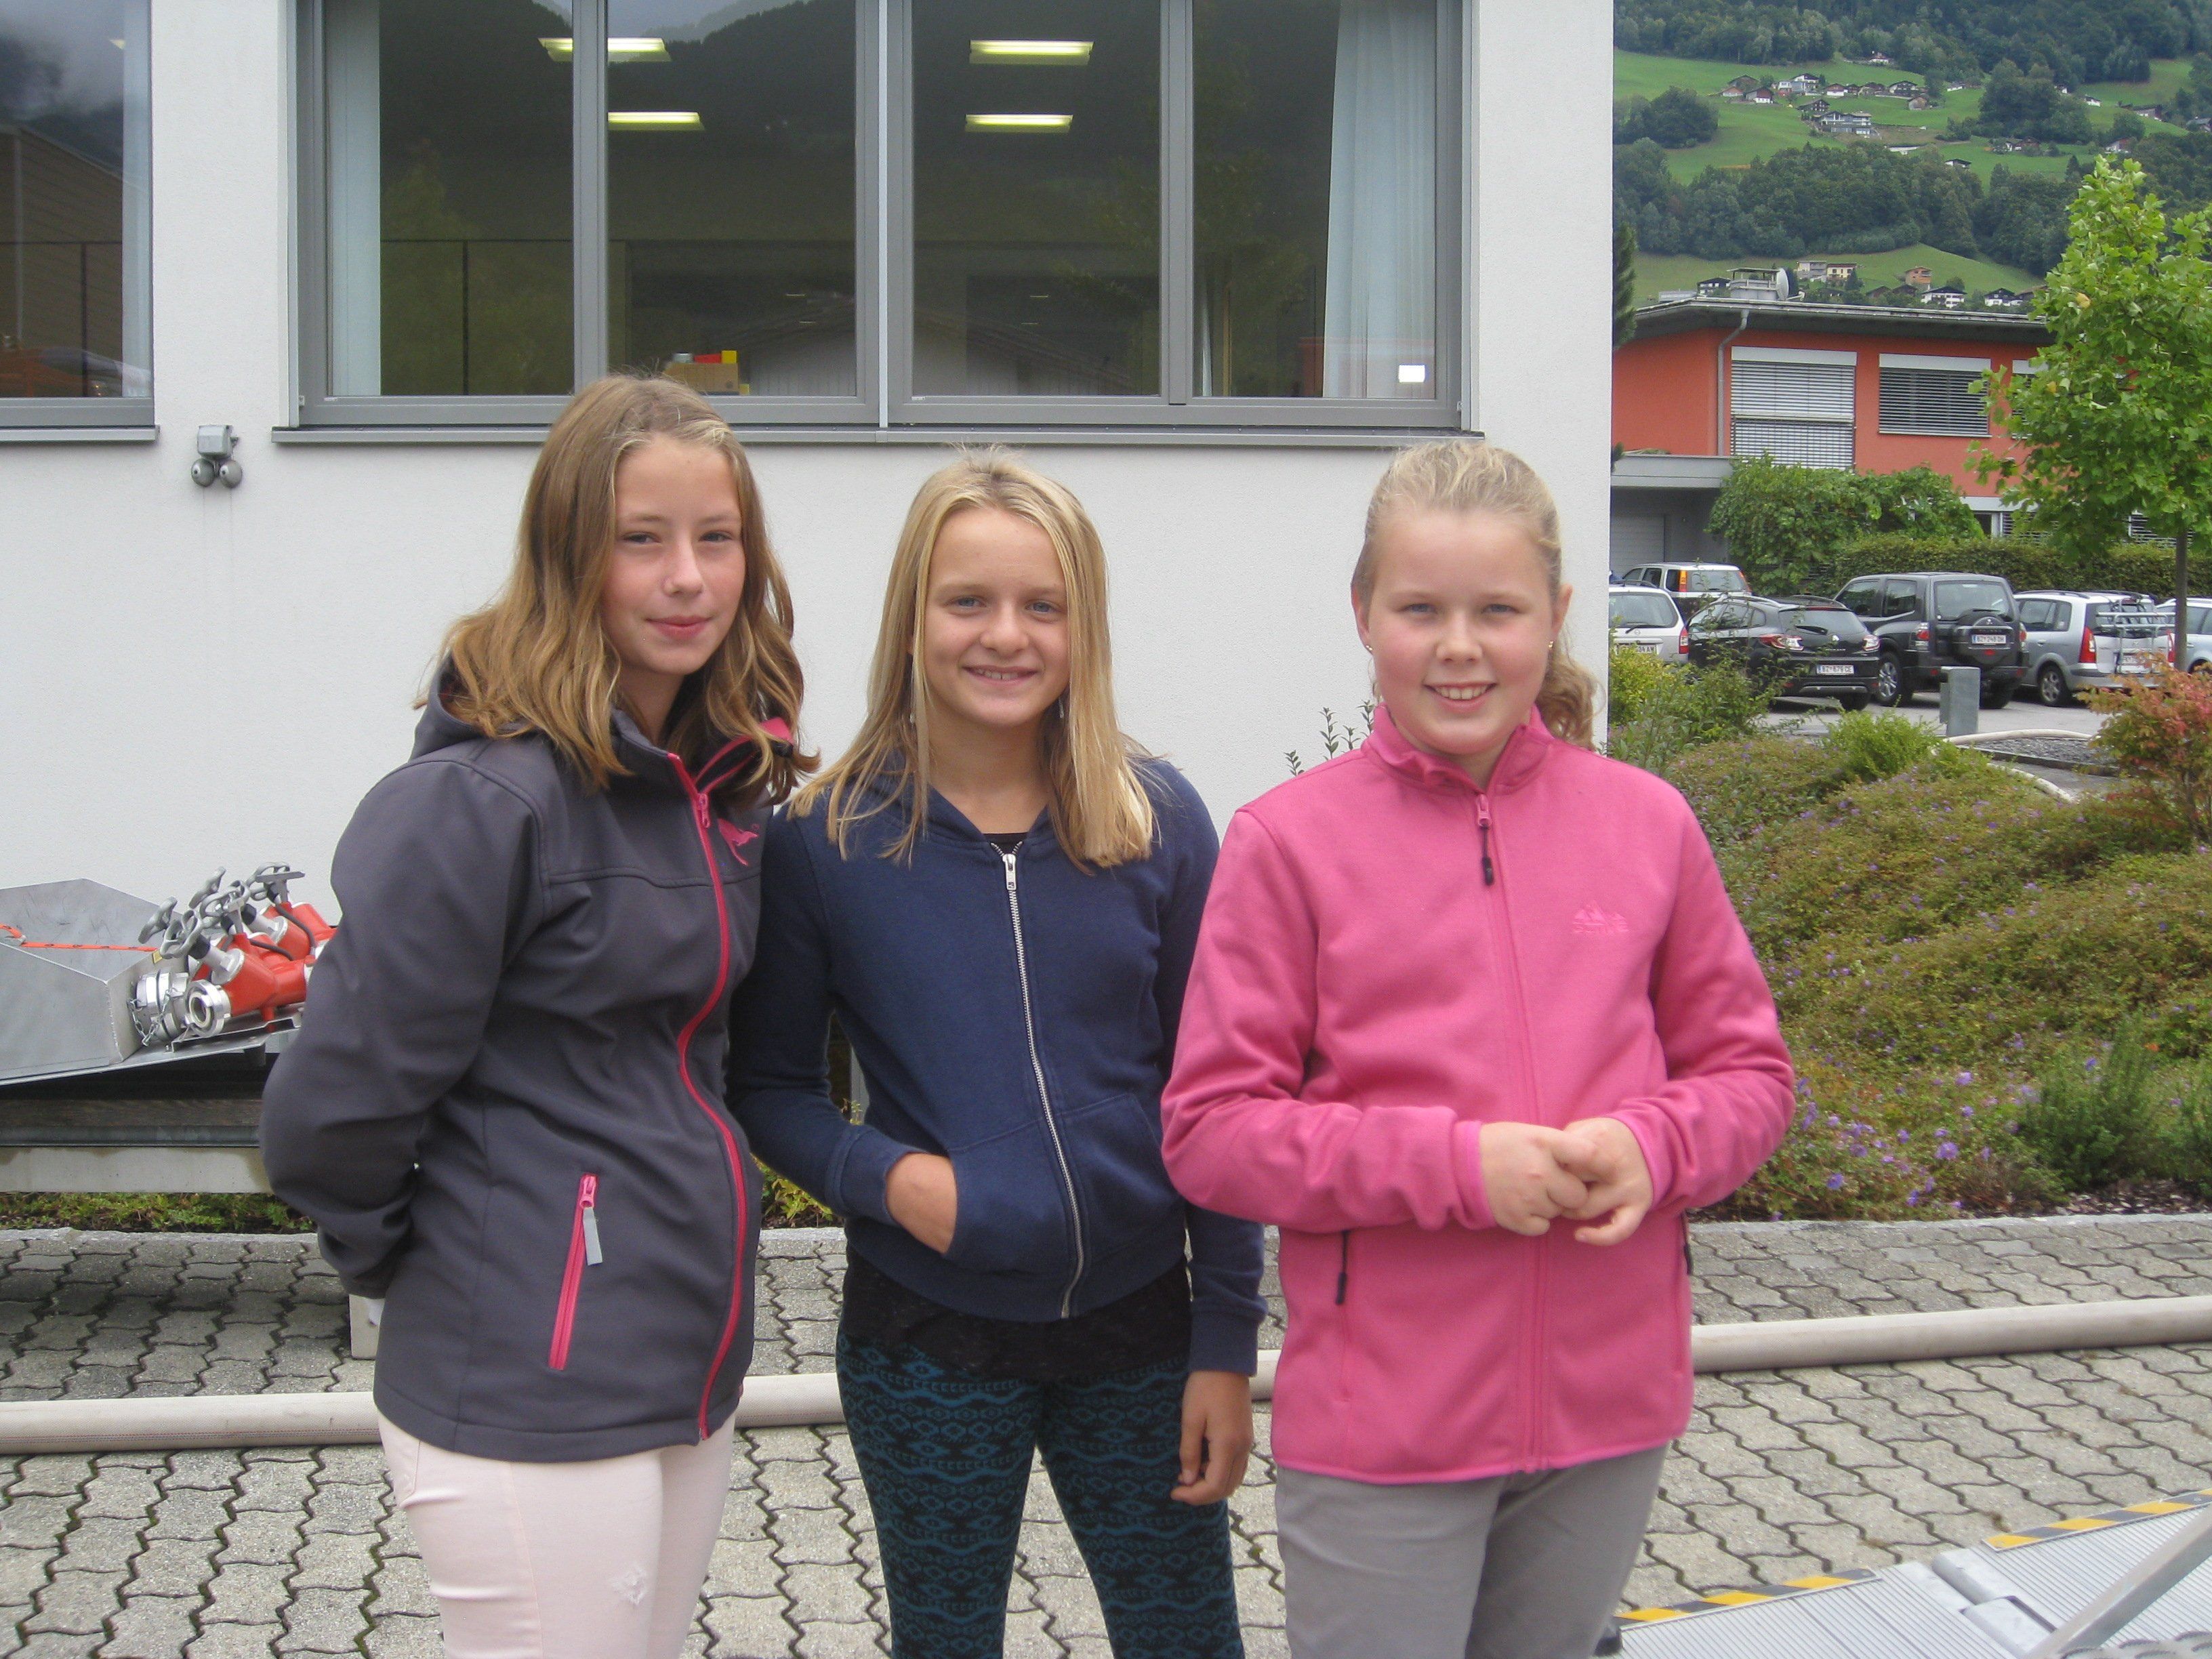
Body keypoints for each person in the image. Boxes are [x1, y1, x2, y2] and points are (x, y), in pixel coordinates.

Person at [1159, 439, 1793, 1659]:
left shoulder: (1649, 826)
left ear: (1555, 615)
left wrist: (1653, 1147)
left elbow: (1751, 1079)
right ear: (1363, 613)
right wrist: (1459, 1169)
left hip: (1608, 1411)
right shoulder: (1289, 845)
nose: (1460, 647)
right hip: (1387, 1429)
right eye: (1421, 610)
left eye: (1498, 611)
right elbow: (1213, 1132)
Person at [260, 374, 811, 1659]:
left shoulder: (718, 790)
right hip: (526, 1369)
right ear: (570, 554)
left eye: (717, 538)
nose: (688, 578)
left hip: (684, 1360)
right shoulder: (481, 802)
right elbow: (328, 1114)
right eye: (641, 539)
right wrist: (432, 1263)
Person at [729, 450, 1263, 1659]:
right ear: (913, 615)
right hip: (931, 1333)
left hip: (1142, 1326)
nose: (1006, 636)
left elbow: (1217, 1095)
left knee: (1188, 1641)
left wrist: (1227, 1347)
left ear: (1085, 626)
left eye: (1043, 606)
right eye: (968, 601)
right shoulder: (824, 839)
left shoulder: (1157, 819)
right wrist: (891, 1180)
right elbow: (767, 1088)